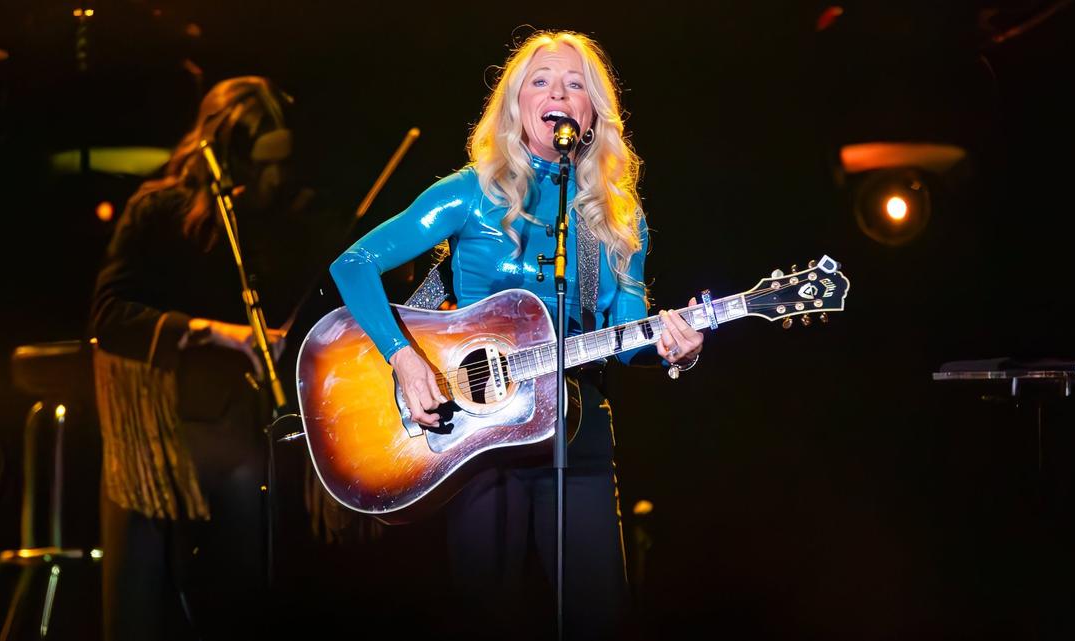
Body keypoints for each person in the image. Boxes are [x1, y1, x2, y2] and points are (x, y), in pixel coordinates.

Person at [329, 31, 704, 639]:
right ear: (516, 106)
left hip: (575, 430)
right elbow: (353, 265)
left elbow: (627, 332)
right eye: (541, 81)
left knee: (597, 614)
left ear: (591, 114)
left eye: (575, 83)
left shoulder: (616, 215)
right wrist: (404, 357)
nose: (558, 92)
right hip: (479, 436)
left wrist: (671, 345)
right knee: (485, 612)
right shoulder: (470, 192)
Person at [90, 76, 342, 640]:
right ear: (228, 152)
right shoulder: (157, 209)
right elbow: (109, 314)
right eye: (261, 162)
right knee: (144, 601)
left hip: (241, 433)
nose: (274, 177)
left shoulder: (275, 217)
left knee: (242, 591)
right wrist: (214, 332)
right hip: (163, 434)